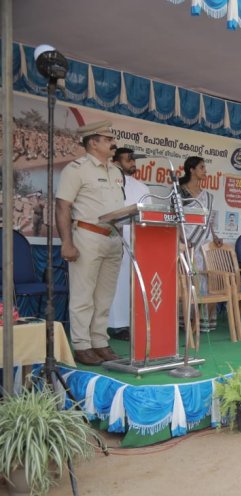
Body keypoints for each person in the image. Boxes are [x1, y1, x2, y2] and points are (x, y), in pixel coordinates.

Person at [56, 120, 126, 366]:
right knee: (83, 295)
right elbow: (63, 206)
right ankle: (82, 344)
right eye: (107, 139)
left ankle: (99, 341)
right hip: (87, 236)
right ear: (93, 142)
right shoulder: (77, 169)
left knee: (104, 296)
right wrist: (67, 243)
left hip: (113, 238)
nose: (113, 143)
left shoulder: (116, 171)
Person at [107, 147, 151, 341]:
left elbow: (148, 214)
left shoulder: (142, 187)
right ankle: (114, 326)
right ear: (116, 162)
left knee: (131, 282)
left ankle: (131, 322)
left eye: (134, 160)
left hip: (137, 240)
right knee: (115, 283)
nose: (133, 164)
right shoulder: (108, 183)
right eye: (128, 160)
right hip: (113, 236)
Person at [179, 156, 221, 331]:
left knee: (203, 280)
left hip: (204, 243)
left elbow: (208, 221)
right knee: (186, 281)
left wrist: (215, 235)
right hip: (185, 242)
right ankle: (185, 321)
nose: (205, 171)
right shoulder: (179, 192)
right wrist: (181, 239)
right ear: (191, 169)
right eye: (202, 167)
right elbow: (174, 218)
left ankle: (201, 322)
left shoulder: (208, 196)